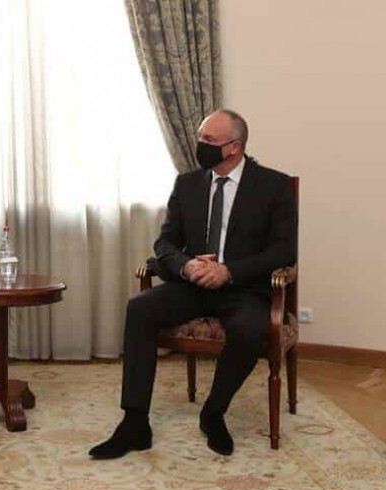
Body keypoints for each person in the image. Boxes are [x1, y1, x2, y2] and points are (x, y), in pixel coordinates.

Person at [89, 109, 297, 458]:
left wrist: (229, 271)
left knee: (249, 329)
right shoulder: (187, 184)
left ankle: (213, 413)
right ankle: (135, 422)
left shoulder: (273, 185)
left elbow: (284, 250)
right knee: (140, 308)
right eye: (200, 138)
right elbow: (165, 242)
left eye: (209, 140)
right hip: (193, 285)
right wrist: (186, 266)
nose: (201, 145)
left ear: (235, 147)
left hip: (243, 289)